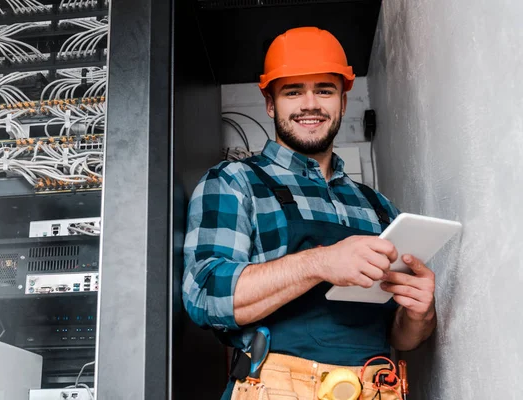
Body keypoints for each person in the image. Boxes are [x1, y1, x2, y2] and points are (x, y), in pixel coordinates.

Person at [182, 27, 437, 400]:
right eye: (293, 91)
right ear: (270, 103)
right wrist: (318, 263)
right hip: (277, 389)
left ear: (343, 101)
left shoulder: (378, 207)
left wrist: (419, 315)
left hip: (377, 389)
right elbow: (205, 295)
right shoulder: (236, 182)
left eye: (324, 89)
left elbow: (398, 336)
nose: (310, 104)